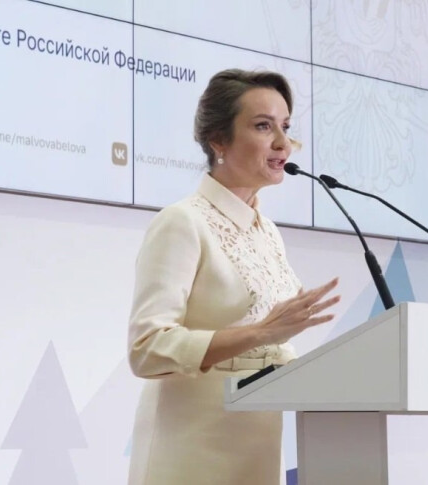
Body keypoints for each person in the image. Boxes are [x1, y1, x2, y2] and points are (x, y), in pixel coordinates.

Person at [127, 69, 340, 485]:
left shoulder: (268, 232)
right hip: (193, 449)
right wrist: (261, 333)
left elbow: (273, 345)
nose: (283, 144)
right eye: (263, 126)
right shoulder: (182, 222)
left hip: (258, 445)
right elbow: (147, 348)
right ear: (218, 140)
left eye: (285, 127)